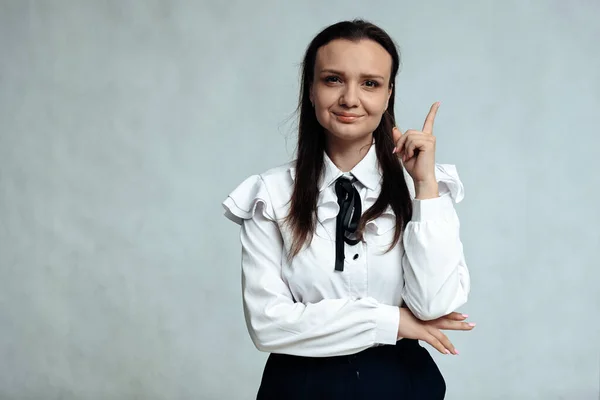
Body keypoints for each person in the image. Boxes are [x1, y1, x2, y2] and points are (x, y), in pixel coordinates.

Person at [222, 19, 474, 399]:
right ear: (310, 89)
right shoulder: (270, 195)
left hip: (403, 385)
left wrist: (425, 187)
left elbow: (434, 305)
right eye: (333, 80)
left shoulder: (425, 187)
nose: (350, 99)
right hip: (299, 386)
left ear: (389, 94)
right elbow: (267, 325)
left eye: (370, 83)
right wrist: (393, 321)